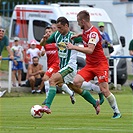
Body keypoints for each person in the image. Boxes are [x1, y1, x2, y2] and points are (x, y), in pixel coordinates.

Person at [39, 16, 101, 115]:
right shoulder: (56, 35)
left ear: (66, 26)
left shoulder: (73, 36)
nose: (58, 30)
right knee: (76, 88)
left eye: (60, 28)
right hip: (63, 67)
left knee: (52, 80)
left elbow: (89, 40)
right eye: (57, 28)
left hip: (70, 67)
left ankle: (47, 106)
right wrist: (44, 39)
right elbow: (43, 43)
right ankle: (95, 102)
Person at [67, 10, 121, 119]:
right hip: (90, 65)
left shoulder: (93, 33)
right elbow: (85, 35)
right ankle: (97, 90)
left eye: (78, 21)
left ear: (83, 21)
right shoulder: (87, 32)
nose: (78, 24)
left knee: (105, 91)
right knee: (76, 82)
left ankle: (117, 112)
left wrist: (73, 47)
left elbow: (90, 50)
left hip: (100, 65)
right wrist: (79, 35)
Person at [39, 26, 76, 104]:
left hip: (56, 64)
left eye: (49, 32)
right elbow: (41, 50)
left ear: (53, 33)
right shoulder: (46, 43)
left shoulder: (56, 42)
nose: (47, 33)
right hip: (50, 65)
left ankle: (47, 99)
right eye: (46, 32)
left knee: (45, 78)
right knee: (59, 84)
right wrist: (42, 53)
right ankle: (71, 93)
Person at [98, 22, 114, 88]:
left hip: (106, 49)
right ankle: (99, 79)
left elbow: (110, 42)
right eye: (100, 27)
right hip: (101, 50)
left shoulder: (106, 34)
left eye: (102, 27)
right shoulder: (98, 34)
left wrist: (108, 42)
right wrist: (102, 42)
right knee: (100, 65)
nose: (101, 28)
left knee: (107, 65)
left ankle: (107, 79)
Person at [0, 26, 14, 96]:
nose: (1, 33)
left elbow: (8, 47)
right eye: (0, 31)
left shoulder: (5, 38)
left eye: (3, 31)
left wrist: (11, 55)